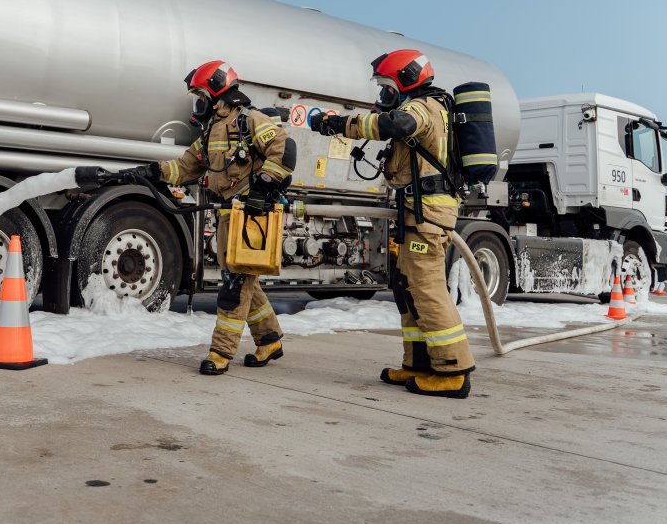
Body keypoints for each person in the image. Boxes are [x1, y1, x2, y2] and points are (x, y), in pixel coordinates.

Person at [309, 49, 475, 398]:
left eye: (387, 87)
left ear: (406, 80)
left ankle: (453, 371)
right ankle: (417, 363)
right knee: (408, 287)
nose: (383, 96)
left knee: (427, 287)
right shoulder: (426, 105)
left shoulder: (422, 106)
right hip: (417, 209)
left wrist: (338, 122)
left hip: (427, 212)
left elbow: (394, 125)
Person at [121, 60, 294, 375]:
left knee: (234, 285)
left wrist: (263, 187)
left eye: (200, 95)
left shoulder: (250, 121)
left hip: (252, 216)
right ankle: (269, 339)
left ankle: (221, 352)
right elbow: (186, 167)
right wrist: (151, 172)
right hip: (230, 214)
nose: (197, 102)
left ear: (217, 94)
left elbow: (285, 148)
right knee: (244, 280)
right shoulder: (211, 132)